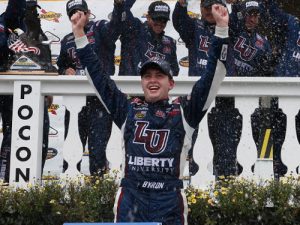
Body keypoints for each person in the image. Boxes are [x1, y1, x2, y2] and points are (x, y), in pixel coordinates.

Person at [71, 2, 229, 224]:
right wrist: (79, 34)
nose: (153, 80)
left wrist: (221, 30)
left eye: (159, 75)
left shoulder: (184, 112)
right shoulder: (128, 110)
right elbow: (98, 78)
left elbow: (214, 75)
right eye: (147, 76)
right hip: (132, 198)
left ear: (171, 83)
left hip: (169, 201)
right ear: (142, 81)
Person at [57, 0, 123, 176]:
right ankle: (68, 194)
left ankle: (99, 194)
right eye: (73, 13)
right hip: (76, 102)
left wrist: (118, 6)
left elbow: (115, 27)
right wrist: (65, 70)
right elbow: (60, 65)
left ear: (88, 13)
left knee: (99, 149)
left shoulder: (100, 28)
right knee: (71, 150)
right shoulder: (66, 40)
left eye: (81, 11)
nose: (77, 15)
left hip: (100, 100)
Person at [0, 0, 50, 182]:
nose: (31, 13)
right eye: (27, 9)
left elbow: (47, 64)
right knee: (11, 139)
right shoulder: (6, 24)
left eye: (33, 10)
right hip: (12, 95)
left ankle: (34, 185)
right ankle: (4, 183)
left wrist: (49, 92)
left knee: (41, 138)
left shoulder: (39, 33)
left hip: (37, 95)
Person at [115, 0, 179, 76]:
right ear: (148, 17)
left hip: (156, 86)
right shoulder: (134, 30)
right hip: (131, 85)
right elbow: (124, 11)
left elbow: (174, 71)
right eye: (156, 19)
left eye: (164, 20)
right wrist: (119, 4)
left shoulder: (170, 42)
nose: (160, 23)